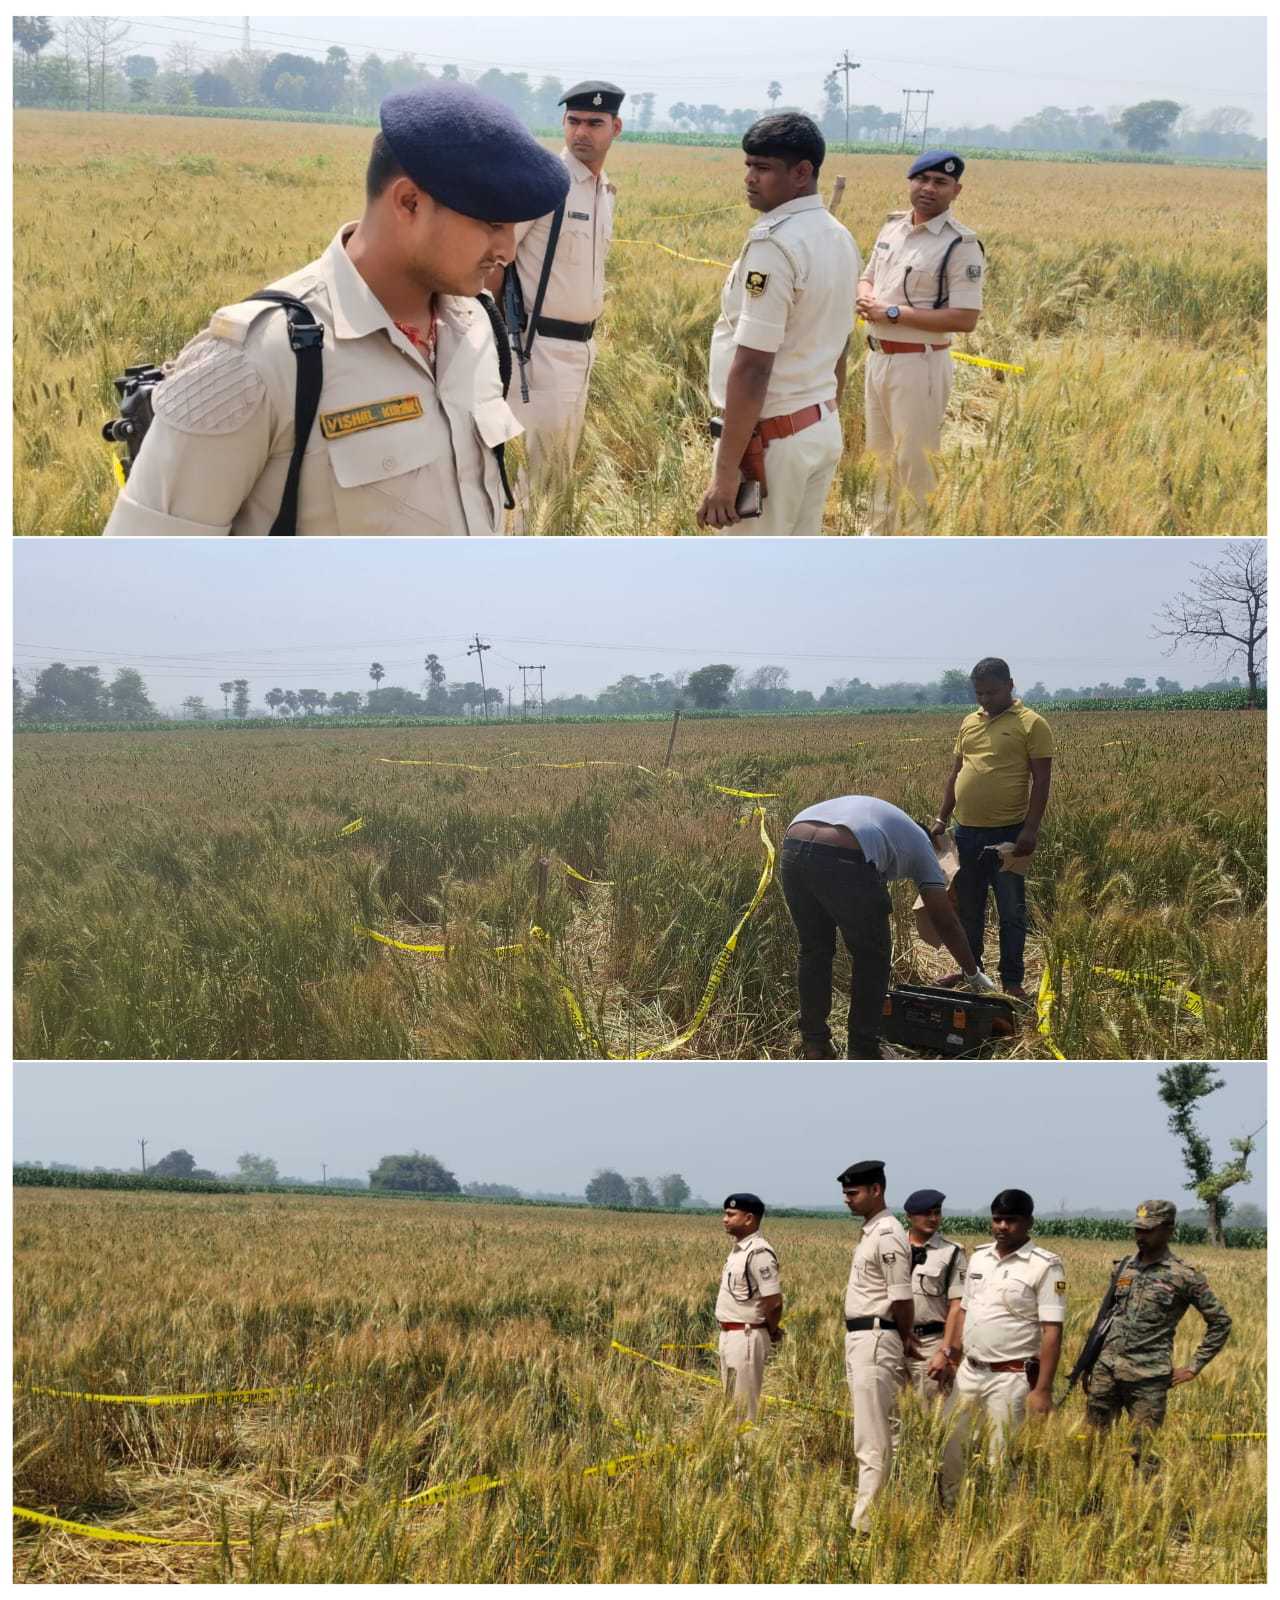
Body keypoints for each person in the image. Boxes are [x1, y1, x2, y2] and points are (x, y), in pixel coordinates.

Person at [103, 83, 569, 537]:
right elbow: (146, 572)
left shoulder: (478, 326)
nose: (507, 249)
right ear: (408, 203)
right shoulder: (258, 359)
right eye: (492, 224)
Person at [697, 112, 859, 535]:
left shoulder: (775, 245)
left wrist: (726, 471)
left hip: (771, 444)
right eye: (748, 165)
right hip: (818, 425)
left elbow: (753, 368)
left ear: (802, 173)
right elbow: (841, 341)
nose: (750, 178)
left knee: (748, 582)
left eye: (763, 168)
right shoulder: (839, 236)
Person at [491, 80, 623, 525]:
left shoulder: (605, 192)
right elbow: (495, 259)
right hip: (537, 348)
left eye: (594, 123)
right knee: (537, 480)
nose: (581, 131)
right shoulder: (544, 182)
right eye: (573, 121)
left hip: (582, 351)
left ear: (616, 127)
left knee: (559, 471)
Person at [780, 794, 995, 1059]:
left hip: (793, 843)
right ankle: (864, 1050)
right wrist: (973, 973)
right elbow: (945, 919)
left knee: (814, 950)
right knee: (873, 957)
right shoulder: (924, 847)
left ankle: (815, 1044)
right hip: (846, 851)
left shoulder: (894, 825)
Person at [856, 150, 984, 533]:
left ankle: (914, 544)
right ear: (910, 181)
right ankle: (876, 538)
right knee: (878, 460)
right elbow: (868, 275)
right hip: (877, 358)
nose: (928, 188)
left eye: (940, 182)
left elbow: (965, 318)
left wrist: (893, 314)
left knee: (914, 464)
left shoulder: (960, 245)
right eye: (922, 179)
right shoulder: (892, 228)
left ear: (956, 190)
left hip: (919, 365)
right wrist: (864, 296)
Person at [931, 658, 1053, 999]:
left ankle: (1012, 980)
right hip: (966, 831)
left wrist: (1030, 830)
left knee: (1011, 911)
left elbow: (1042, 781)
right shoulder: (969, 722)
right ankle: (972, 970)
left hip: (1009, 834)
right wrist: (942, 819)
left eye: (992, 691)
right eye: (979, 693)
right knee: (968, 907)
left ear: (1010, 685)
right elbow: (956, 773)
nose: (984, 699)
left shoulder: (1032, 724)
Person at [938, 1189, 1066, 1510]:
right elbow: (964, 1311)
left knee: (1002, 1458)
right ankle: (951, 1514)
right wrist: (950, 1356)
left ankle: (998, 1523)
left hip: (1010, 1378)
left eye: (1011, 1220)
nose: (1002, 1226)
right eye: (997, 1219)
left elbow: (1052, 1331)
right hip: (969, 1371)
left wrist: (1043, 1389)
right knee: (950, 1448)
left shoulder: (1045, 1266)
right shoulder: (979, 1258)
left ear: (1029, 1223)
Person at [1082, 1199, 1232, 1465]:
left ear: (1169, 1229)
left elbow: (1220, 1322)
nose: (1140, 1236)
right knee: (1091, 1447)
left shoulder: (1183, 1276)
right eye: (1138, 1229)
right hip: (1106, 1371)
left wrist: (1194, 1366)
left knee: (1145, 1453)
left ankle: (1142, 1502)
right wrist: (1090, 1361)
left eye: (1148, 1230)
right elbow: (1108, 1316)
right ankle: (1094, 1500)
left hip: (1147, 1379)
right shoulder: (1123, 1267)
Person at [839, 1159, 914, 1535]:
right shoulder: (872, 1231)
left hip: (875, 1336)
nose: (846, 1199)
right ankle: (879, 1513)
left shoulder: (887, 1234)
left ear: (876, 1190)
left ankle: (865, 1526)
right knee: (876, 1432)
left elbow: (901, 1297)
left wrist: (906, 1336)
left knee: (871, 1437)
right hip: (865, 1336)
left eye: (853, 1193)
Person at [715, 1192, 783, 1423]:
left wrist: (771, 1331)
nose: (725, 1219)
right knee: (730, 1405)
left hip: (746, 1335)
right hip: (730, 1334)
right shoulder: (738, 1251)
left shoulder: (758, 1252)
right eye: (725, 1214)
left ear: (749, 1219)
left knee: (742, 1408)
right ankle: (732, 1455)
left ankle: (744, 1456)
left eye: (731, 1214)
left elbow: (773, 1301)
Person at [902, 1188, 967, 1405]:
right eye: (925, 1213)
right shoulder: (892, 1247)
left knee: (931, 1416)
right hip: (892, 1340)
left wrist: (946, 1351)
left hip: (929, 1344)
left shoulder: (952, 1253)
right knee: (889, 1415)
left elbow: (957, 1306)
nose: (933, 1218)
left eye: (937, 1212)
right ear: (909, 1216)